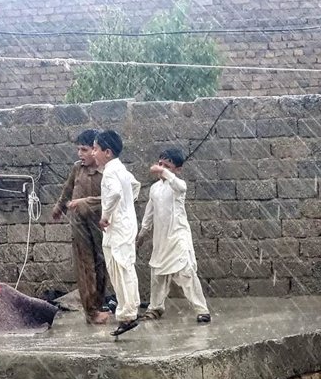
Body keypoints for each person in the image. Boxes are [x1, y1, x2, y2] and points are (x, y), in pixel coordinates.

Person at [137, 148, 211, 323]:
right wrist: (142, 234)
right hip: (161, 240)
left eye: (167, 166)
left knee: (186, 273)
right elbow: (149, 213)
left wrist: (164, 172)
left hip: (178, 237)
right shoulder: (154, 189)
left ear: (177, 169)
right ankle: (155, 308)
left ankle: (202, 310)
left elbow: (180, 185)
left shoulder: (178, 187)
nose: (161, 168)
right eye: (160, 164)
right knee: (157, 275)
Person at [52, 129, 109, 325]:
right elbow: (68, 190)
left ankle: (98, 304)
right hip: (79, 222)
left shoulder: (107, 172)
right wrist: (59, 207)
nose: (80, 154)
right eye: (78, 150)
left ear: (95, 150)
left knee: (101, 264)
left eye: (84, 150)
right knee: (85, 265)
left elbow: (111, 198)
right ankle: (90, 311)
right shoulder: (77, 169)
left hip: (100, 222)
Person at [92, 130, 141, 336]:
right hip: (125, 224)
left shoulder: (111, 172)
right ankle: (129, 309)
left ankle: (128, 315)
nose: (94, 153)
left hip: (118, 228)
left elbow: (115, 193)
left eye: (96, 149)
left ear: (108, 152)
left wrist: (106, 216)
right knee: (125, 268)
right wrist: (128, 207)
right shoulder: (120, 169)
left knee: (120, 270)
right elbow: (134, 185)